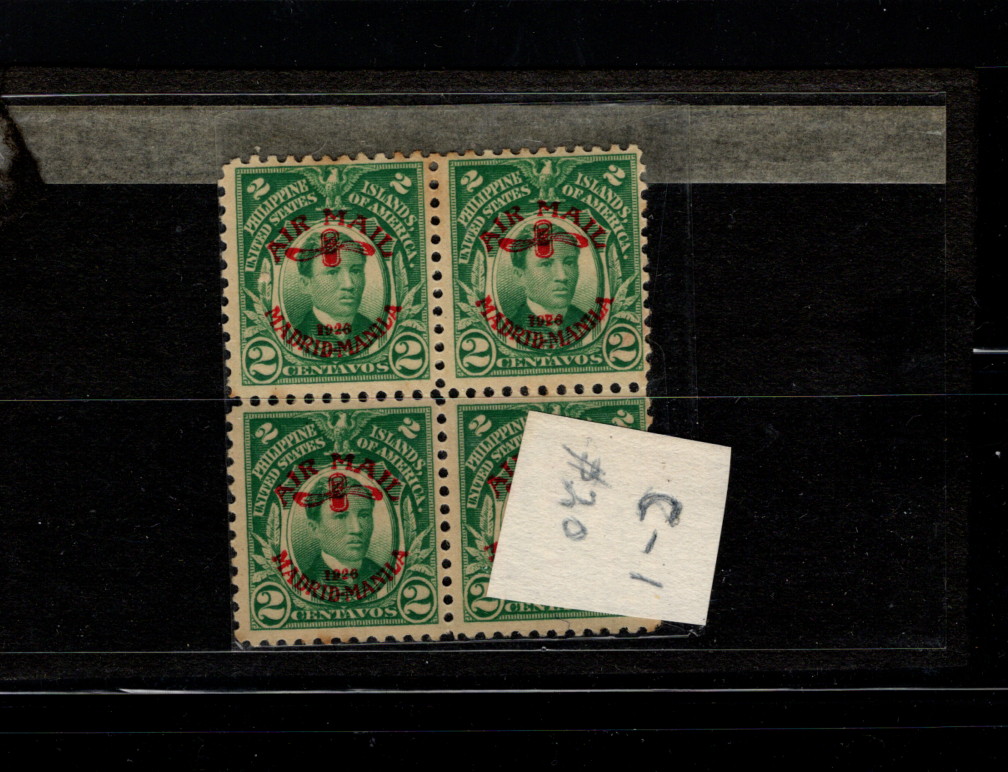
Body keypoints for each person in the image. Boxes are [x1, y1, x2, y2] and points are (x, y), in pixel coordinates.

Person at [297, 472, 385, 588]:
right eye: (341, 516)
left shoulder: (383, 575)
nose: (357, 529)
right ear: (314, 528)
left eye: (364, 516)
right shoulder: (307, 580)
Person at [500, 219, 589, 330]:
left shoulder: (589, 321)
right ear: (519, 275)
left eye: (569, 263)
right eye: (546, 264)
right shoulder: (511, 326)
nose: (562, 276)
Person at [292, 228, 374, 340]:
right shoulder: (297, 335)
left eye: (355, 271)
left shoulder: (375, 330)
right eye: (332, 272)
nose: (349, 285)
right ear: (305, 284)